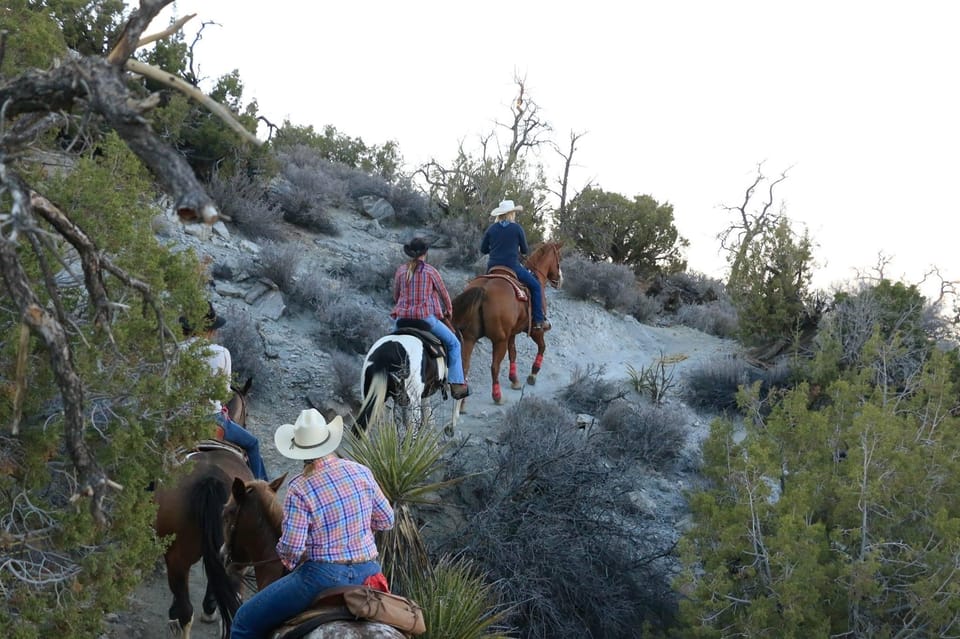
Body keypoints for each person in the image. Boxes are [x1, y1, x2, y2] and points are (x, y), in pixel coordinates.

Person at [230, 408, 395, 639]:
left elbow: (292, 550)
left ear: (299, 451)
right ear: (329, 441)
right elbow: (387, 519)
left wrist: (291, 556)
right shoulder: (361, 472)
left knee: (243, 621)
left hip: (321, 577)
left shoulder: (300, 488)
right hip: (369, 572)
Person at [179, 303, 269, 481]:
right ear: (209, 330)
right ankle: (261, 487)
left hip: (181, 421)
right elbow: (222, 394)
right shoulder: (222, 353)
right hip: (213, 420)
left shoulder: (174, 351)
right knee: (252, 444)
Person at [391, 237, 470, 400]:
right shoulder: (431, 271)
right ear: (425, 253)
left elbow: (396, 296)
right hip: (425, 320)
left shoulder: (400, 271)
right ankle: (456, 384)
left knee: (391, 344)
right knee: (454, 343)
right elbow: (444, 295)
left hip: (401, 320)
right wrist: (448, 310)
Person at [481, 199, 550, 332]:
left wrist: (496, 251)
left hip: (493, 267)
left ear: (500, 214)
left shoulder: (491, 229)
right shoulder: (517, 228)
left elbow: (483, 249)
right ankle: (538, 320)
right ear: (511, 213)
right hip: (512, 266)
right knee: (535, 286)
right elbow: (524, 250)